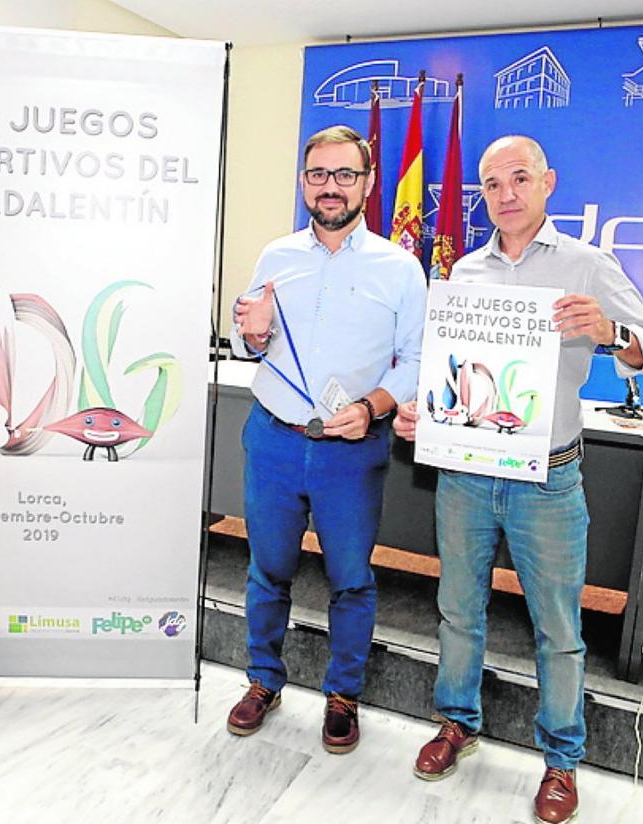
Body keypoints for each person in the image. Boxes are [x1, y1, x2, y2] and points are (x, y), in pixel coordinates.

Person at [394, 135, 643, 824]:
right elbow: (453, 372)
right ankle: (458, 722)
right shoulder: (465, 272)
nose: (506, 194)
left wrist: (612, 332)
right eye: (492, 184)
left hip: (548, 479)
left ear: (548, 183)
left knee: (558, 627)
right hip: (466, 475)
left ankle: (561, 761)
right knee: (459, 611)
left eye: (520, 179)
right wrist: (423, 415)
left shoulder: (587, 264)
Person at [226, 125, 427, 754]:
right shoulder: (275, 256)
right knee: (267, 571)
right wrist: (252, 336)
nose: (330, 187)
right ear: (304, 183)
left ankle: (343, 695)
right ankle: (264, 680)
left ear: (367, 183)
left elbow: (414, 359)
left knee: (350, 580)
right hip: (274, 439)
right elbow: (248, 340)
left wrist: (373, 408)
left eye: (344, 175)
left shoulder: (399, 268)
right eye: (318, 175)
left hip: (352, 450)